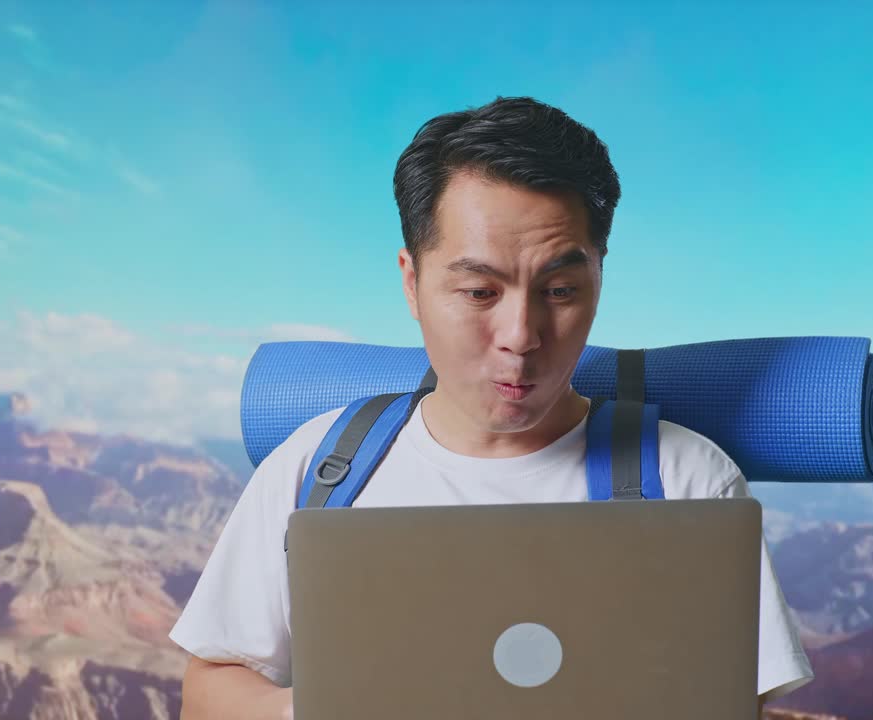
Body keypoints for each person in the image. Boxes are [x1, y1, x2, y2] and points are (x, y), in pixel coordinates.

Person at [169, 96, 814, 720]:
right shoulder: (319, 466)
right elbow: (209, 691)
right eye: (479, 291)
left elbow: (732, 703)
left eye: (560, 290)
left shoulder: (689, 482)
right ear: (412, 282)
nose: (521, 335)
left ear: (599, 278)